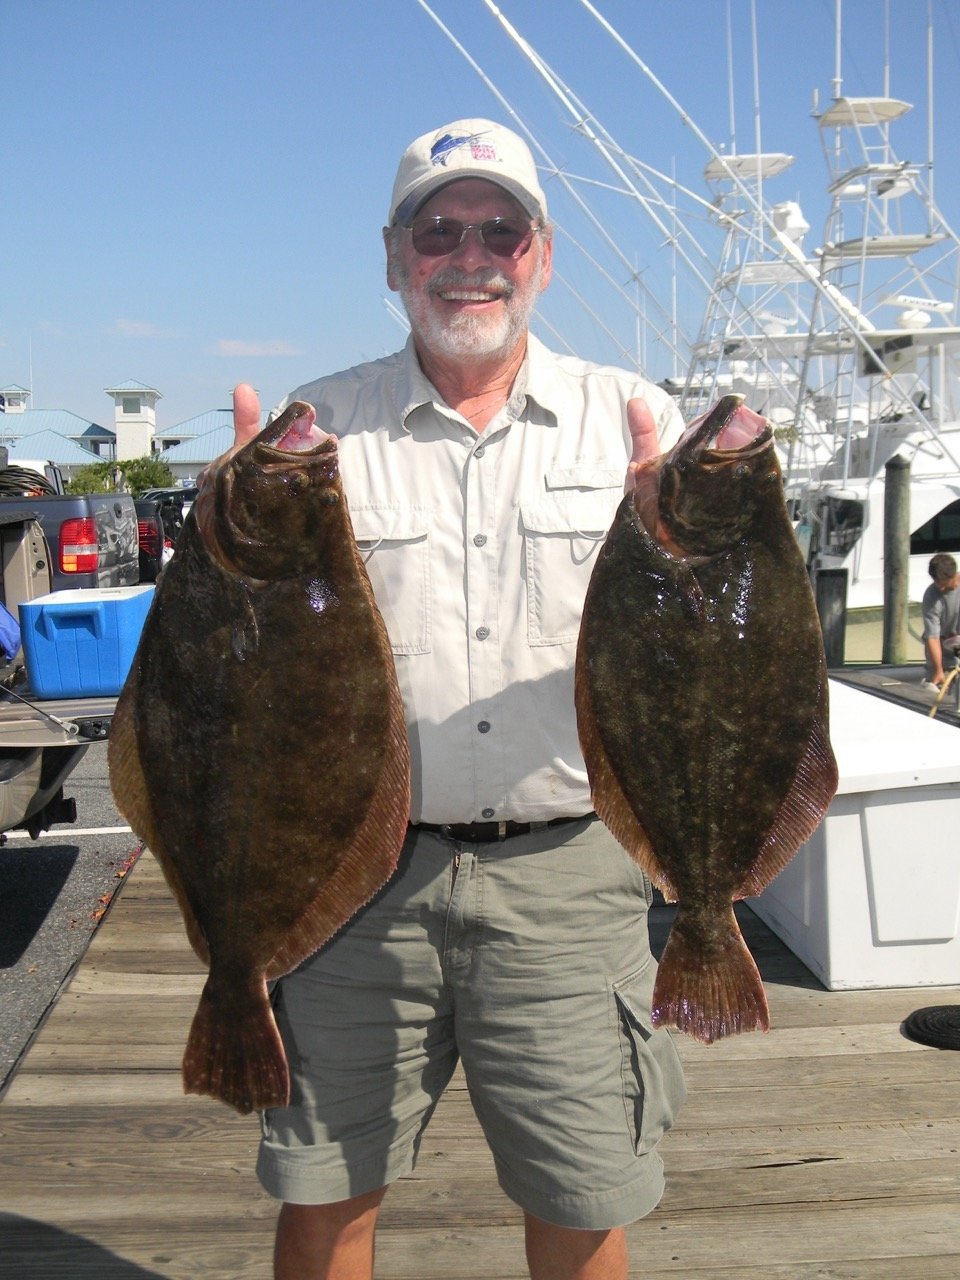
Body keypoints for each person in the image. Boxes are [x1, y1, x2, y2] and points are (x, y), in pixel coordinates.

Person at [227, 119, 687, 1280]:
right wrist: (218, 545)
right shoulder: (313, 431)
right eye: (440, 231)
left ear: (544, 253)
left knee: (584, 1194)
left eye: (501, 229)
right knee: (327, 1191)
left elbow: (711, 659)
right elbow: (242, 669)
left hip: (572, 869)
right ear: (394, 258)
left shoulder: (634, 419)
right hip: (349, 873)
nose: (470, 255)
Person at [921, 551, 960, 690]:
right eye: (936, 583)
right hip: (941, 648)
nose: (940, 588)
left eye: (943, 583)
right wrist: (938, 671)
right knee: (934, 685)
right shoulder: (931, 595)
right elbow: (932, 637)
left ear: (954, 575)